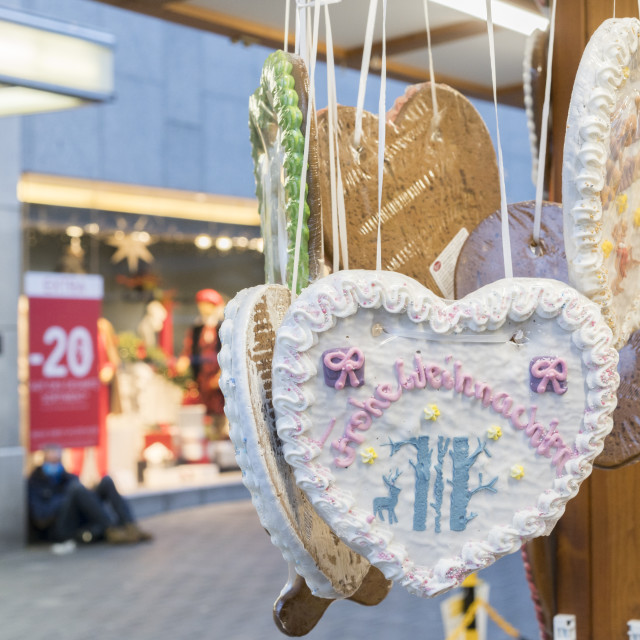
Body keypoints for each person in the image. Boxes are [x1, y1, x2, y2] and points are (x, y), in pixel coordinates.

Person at [28, 444, 152, 547]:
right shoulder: (35, 482)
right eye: (51, 462)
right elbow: (41, 517)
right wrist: (66, 499)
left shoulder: (67, 478)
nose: (54, 466)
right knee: (76, 489)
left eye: (57, 461)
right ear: (44, 462)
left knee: (106, 481)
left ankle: (131, 526)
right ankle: (111, 529)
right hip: (60, 527)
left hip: (79, 518)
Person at [177, 288, 227, 439]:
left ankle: (220, 437)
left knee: (221, 411)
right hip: (202, 378)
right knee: (202, 414)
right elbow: (189, 349)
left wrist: (221, 375)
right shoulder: (197, 329)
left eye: (207, 304)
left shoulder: (222, 327)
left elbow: (228, 352)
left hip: (218, 380)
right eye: (201, 304)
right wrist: (183, 362)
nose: (203, 308)